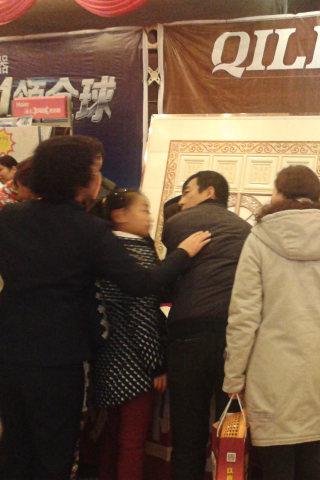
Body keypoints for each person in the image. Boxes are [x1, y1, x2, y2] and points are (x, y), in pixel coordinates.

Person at [0, 136, 211, 480]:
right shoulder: (90, 230)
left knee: (15, 447)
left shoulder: (10, 217)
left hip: (9, 350)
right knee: (54, 451)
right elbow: (141, 284)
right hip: (59, 358)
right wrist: (183, 253)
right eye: (96, 170)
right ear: (80, 179)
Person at [224, 165, 320, 480]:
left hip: (269, 372)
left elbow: (244, 315)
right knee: (310, 457)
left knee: (274, 463)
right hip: (319, 371)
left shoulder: (259, 239)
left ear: (280, 195)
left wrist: (233, 377)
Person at [161, 170, 251, 480]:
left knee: (187, 431)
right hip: (232, 336)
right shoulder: (246, 229)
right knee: (229, 430)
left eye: (187, 192)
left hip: (188, 335)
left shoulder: (178, 223)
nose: (182, 201)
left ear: (209, 191)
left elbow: (169, 278)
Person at [92, 189, 170, 480]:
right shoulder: (138, 253)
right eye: (144, 210)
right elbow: (142, 317)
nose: (149, 217)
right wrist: (156, 365)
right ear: (120, 215)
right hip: (135, 365)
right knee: (132, 443)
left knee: (109, 436)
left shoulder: (102, 249)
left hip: (105, 358)